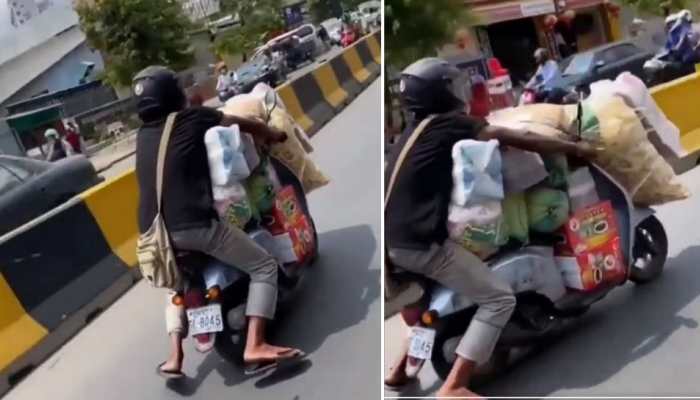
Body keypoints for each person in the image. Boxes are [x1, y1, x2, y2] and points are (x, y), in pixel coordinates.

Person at [383, 58, 596, 398]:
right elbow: (514, 135)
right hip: (422, 244)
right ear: (439, 92)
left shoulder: (411, 134)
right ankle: (454, 386)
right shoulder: (448, 124)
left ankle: (398, 372)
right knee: (498, 298)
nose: (458, 92)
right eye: (451, 85)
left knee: (425, 308)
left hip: (396, 243)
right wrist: (573, 147)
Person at [132, 66, 304, 379]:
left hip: (155, 235)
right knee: (263, 267)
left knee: (177, 286)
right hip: (194, 226)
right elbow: (236, 122)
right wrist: (268, 133)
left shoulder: (142, 136)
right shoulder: (192, 118)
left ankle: (174, 356)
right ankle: (256, 343)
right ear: (173, 94)